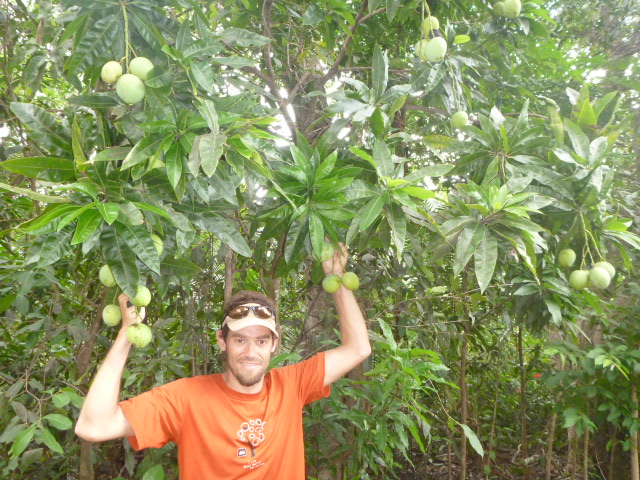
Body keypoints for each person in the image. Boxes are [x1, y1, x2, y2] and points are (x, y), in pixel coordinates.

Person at [75, 244, 371, 479]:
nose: (250, 352)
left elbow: (358, 348)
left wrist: (337, 275)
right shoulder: (186, 398)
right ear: (222, 341)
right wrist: (126, 335)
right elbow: (94, 427)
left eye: (261, 340)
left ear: (274, 345)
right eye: (240, 339)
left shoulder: (291, 385)